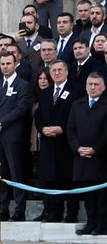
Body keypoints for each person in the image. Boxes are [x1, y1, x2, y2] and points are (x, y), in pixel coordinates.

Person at [0, 51, 33, 221]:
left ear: (15, 64)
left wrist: (1, 123)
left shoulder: (23, 85)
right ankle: (2, 209)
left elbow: (21, 109)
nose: (5, 67)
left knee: (16, 173)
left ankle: (19, 209)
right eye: (2, 64)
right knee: (0, 175)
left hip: (13, 136)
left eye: (8, 63)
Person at [34, 61, 77, 223]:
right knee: (51, 179)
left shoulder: (75, 90)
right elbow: (38, 116)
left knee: (69, 180)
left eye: (60, 70)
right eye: (54, 70)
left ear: (66, 71)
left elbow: (76, 115)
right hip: (48, 143)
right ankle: (54, 213)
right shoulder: (46, 92)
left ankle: (71, 214)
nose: (57, 73)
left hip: (66, 143)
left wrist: (62, 128)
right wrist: (42, 129)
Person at [68, 73, 107, 234]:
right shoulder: (78, 104)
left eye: (96, 84)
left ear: (103, 87)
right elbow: (71, 129)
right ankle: (91, 223)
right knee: (88, 194)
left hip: (101, 159)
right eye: (90, 84)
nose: (93, 87)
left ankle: (103, 225)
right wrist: (77, 148)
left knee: (102, 197)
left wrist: (95, 149)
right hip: (82, 158)